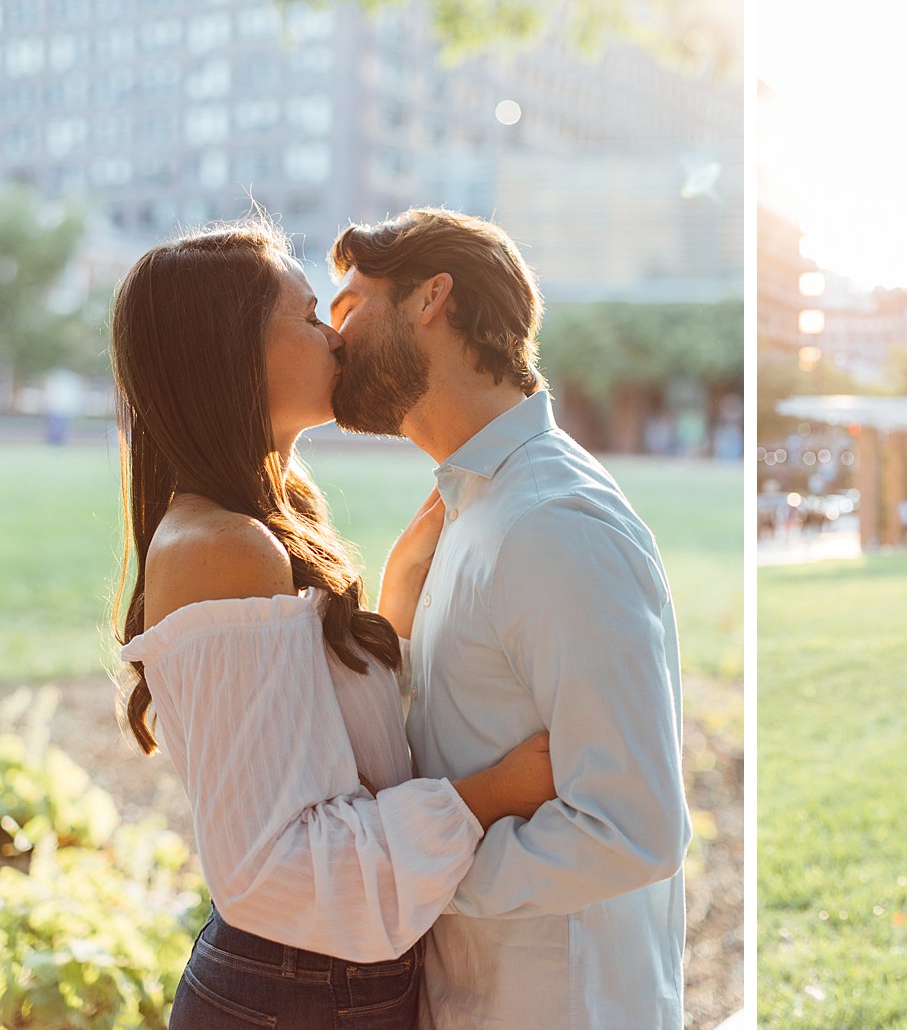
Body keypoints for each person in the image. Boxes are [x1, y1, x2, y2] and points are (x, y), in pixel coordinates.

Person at [111, 219, 559, 1029]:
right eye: (312, 313)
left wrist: (393, 601)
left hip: (315, 987)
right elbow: (272, 865)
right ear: (232, 349)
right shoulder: (222, 546)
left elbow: (317, 746)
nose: (338, 336)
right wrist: (493, 794)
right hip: (291, 996)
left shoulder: (257, 524)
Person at [326, 207, 691, 1030]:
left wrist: (419, 871)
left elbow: (633, 825)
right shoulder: (473, 508)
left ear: (431, 298)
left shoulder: (554, 521)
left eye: (347, 307)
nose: (332, 336)